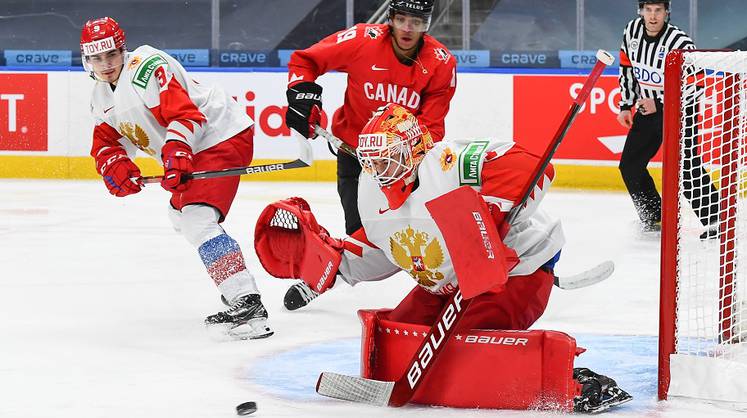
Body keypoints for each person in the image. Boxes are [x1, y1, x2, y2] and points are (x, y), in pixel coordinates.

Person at [256, 103, 631, 412]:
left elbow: (530, 166)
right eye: (373, 161)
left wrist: (487, 220)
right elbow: (384, 246)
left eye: (389, 158)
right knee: (396, 336)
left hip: (517, 269)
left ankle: (578, 382)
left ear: (417, 150)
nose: (379, 170)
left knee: (469, 342)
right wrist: (335, 263)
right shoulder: (371, 186)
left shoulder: (451, 163)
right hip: (447, 276)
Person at [81, 17, 272, 339]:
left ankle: (247, 302)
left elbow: (186, 115)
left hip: (219, 135)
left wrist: (177, 152)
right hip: (195, 147)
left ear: (122, 50)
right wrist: (115, 165)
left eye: (111, 55)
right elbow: (107, 142)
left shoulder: (146, 67)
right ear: (87, 59)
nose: (106, 64)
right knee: (181, 218)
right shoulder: (100, 96)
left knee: (198, 219)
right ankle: (235, 287)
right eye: (97, 58)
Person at [283, 0, 457, 309]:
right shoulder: (362, 40)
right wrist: (302, 95)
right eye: (401, 19)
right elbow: (304, 61)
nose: (407, 28)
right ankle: (325, 274)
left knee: (420, 229)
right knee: (361, 233)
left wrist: (407, 157)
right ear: (390, 19)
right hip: (353, 153)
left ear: (427, 25)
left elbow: (432, 127)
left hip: (402, 166)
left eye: (416, 22)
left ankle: (449, 282)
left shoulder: (441, 63)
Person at [617, 0, 719, 234]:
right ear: (641, 11)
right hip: (646, 109)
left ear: (666, 12)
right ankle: (654, 216)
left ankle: (715, 220)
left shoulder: (680, 42)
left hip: (680, 111)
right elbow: (627, 68)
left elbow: (696, 85)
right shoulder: (631, 31)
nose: (652, 16)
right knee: (630, 166)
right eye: (648, 10)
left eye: (658, 10)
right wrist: (625, 105)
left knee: (687, 166)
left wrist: (661, 104)